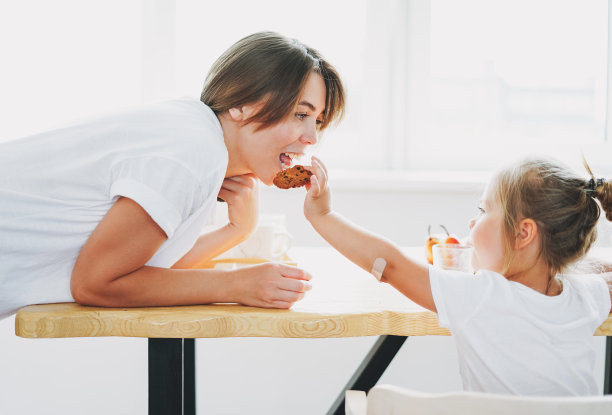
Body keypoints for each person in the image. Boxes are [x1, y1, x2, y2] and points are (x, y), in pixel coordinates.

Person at [0, 31, 345, 319]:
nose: (312, 138)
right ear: (241, 105)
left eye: (317, 121)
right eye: (301, 113)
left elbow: (146, 268)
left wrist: (237, 230)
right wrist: (236, 285)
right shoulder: (191, 153)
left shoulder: (195, 135)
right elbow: (96, 283)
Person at [303, 155, 612, 396]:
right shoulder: (589, 295)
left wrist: (322, 214)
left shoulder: (479, 296)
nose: (471, 222)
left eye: (482, 210)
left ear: (523, 232)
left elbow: (390, 265)